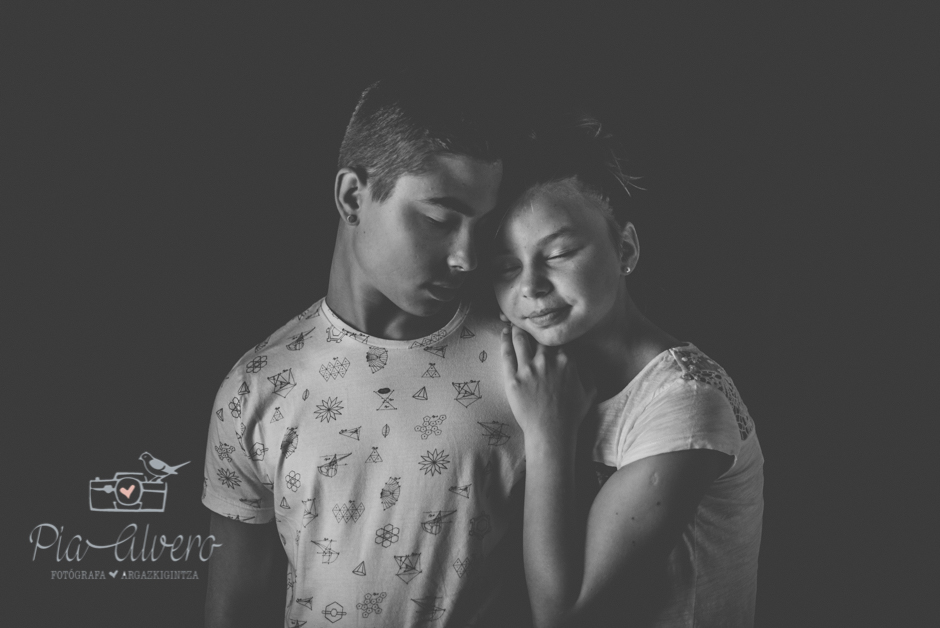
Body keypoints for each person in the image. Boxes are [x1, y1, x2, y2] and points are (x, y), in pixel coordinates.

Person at [201, 72, 528, 628]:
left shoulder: (522, 362)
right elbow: (234, 609)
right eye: (438, 219)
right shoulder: (255, 388)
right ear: (353, 196)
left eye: (483, 225)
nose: (467, 258)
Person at [491, 115, 764, 627]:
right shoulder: (542, 371)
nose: (530, 286)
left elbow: (565, 618)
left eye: (559, 253)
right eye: (506, 267)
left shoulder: (684, 400)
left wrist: (548, 433)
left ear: (626, 249)